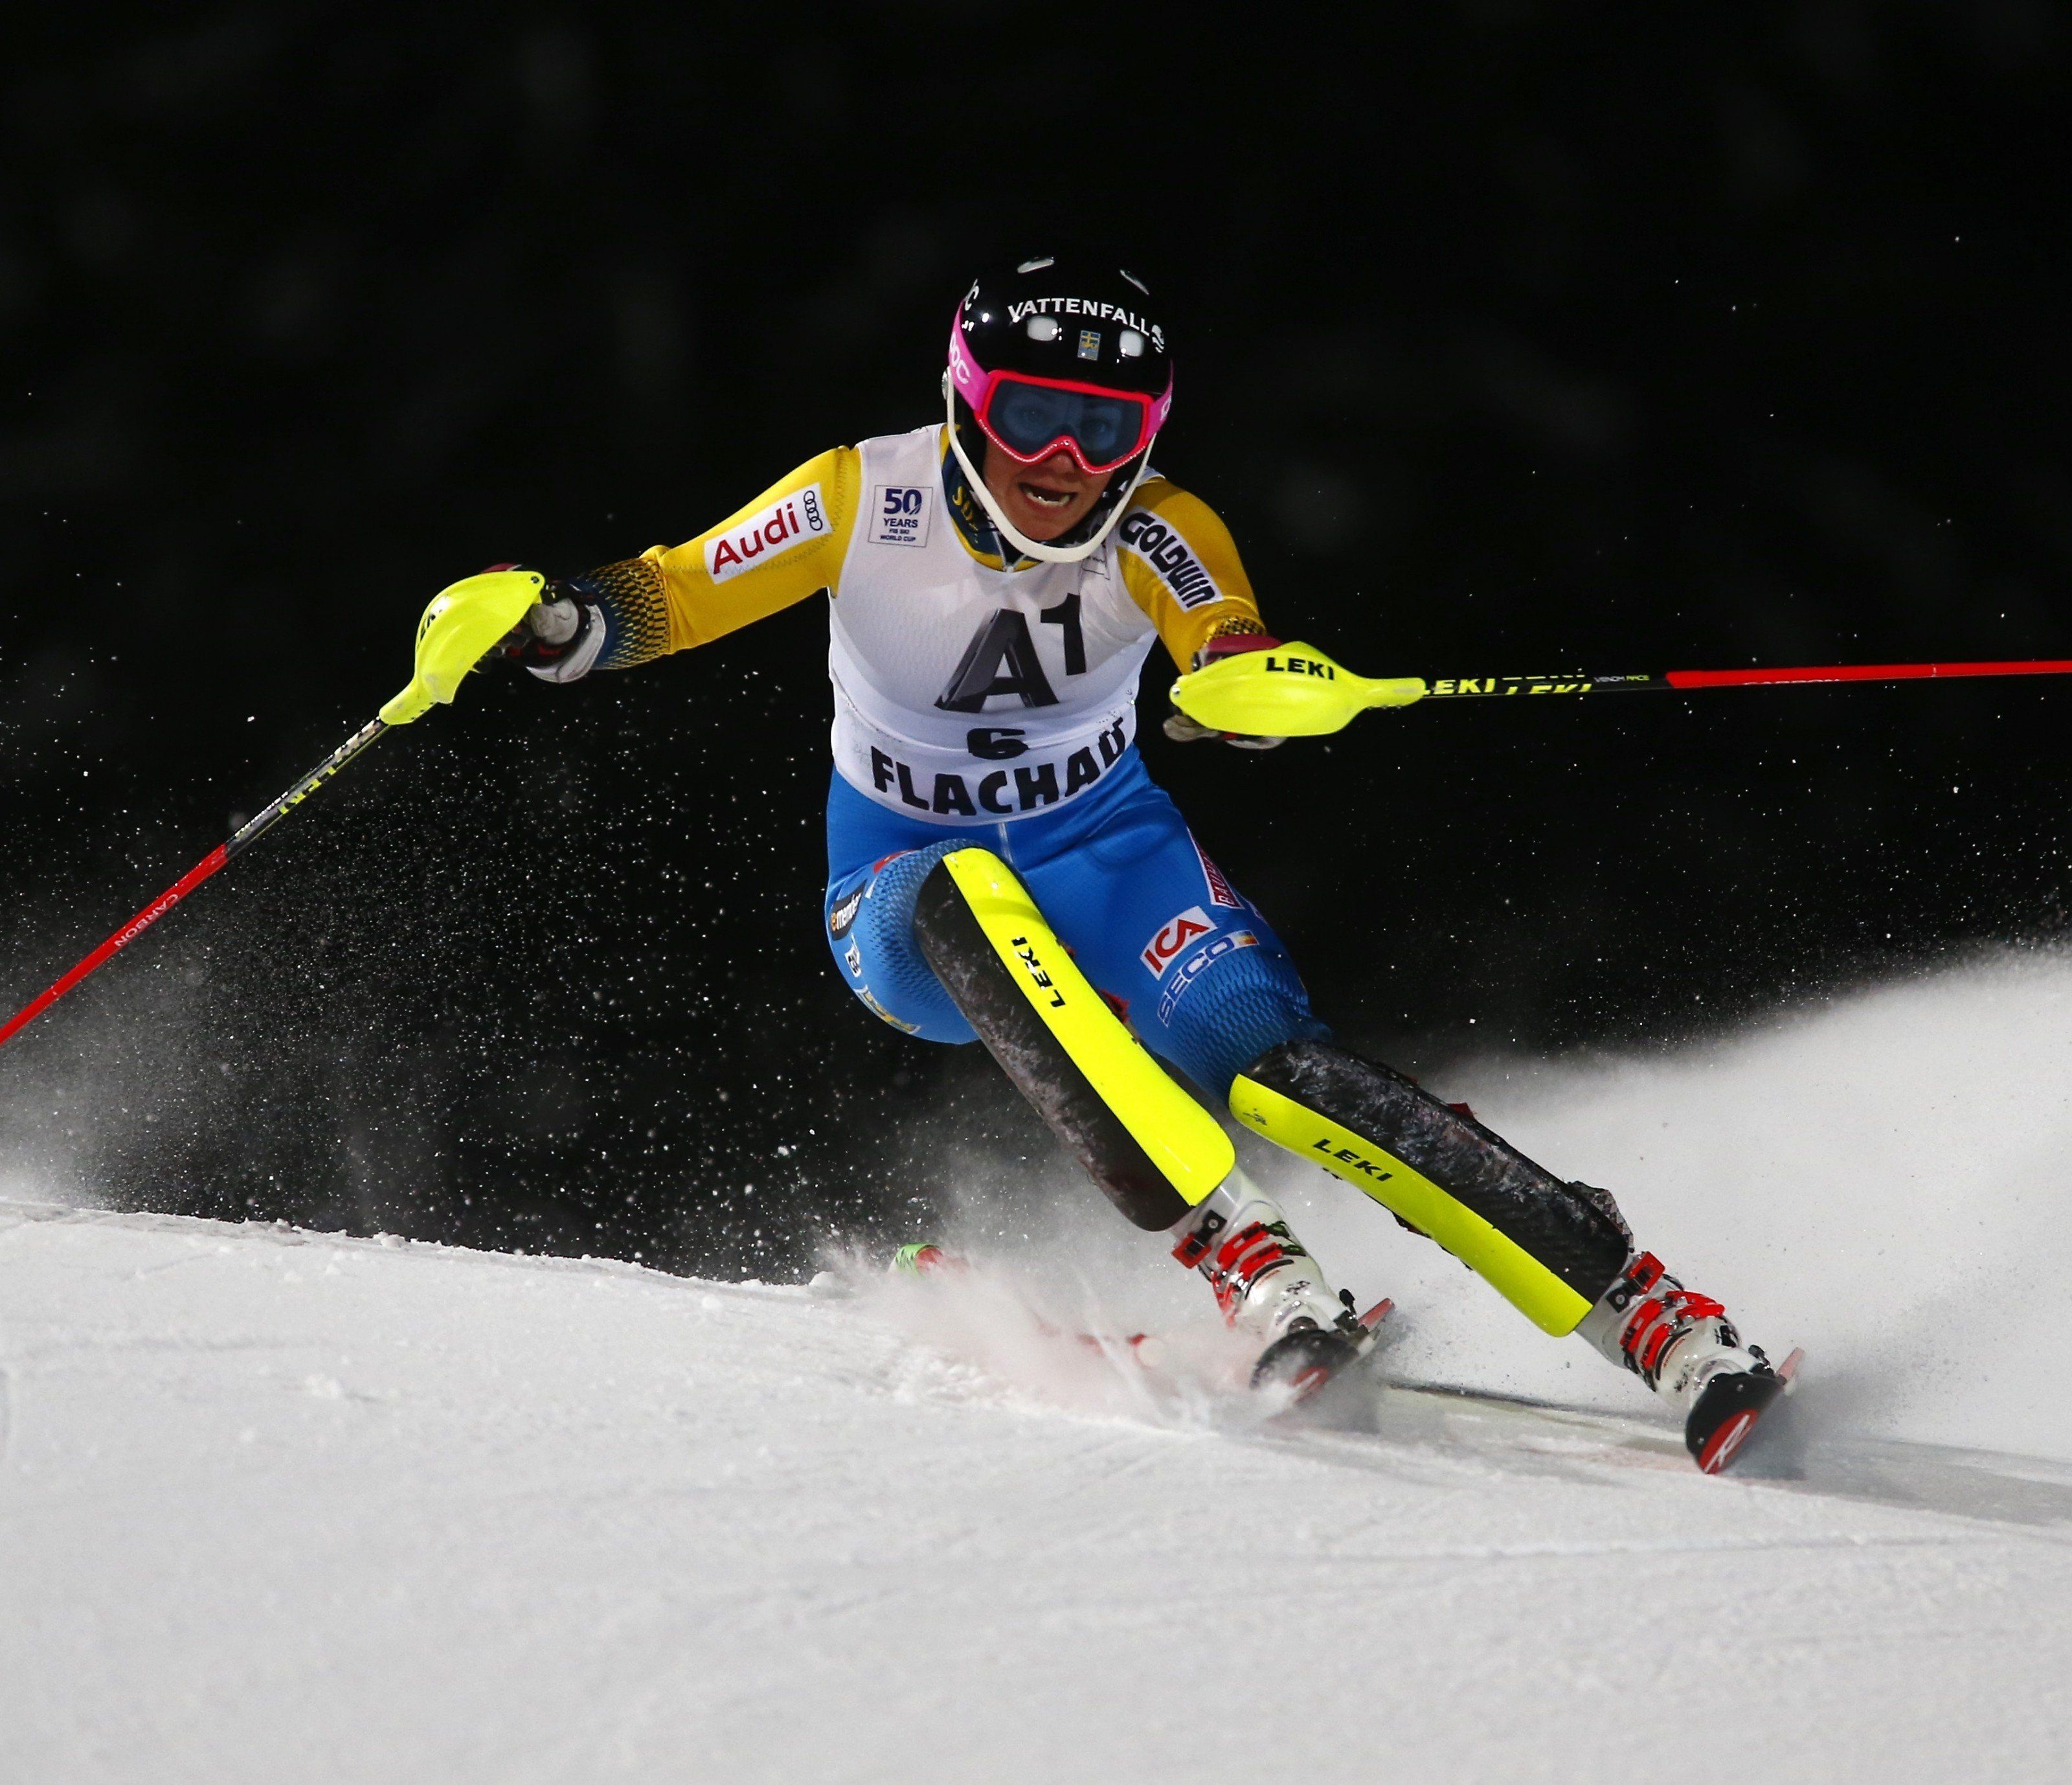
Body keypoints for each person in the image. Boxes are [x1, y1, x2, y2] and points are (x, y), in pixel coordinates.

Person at [486, 254, 1790, 1472]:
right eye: (1030, 417)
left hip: (1107, 853)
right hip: (899, 890)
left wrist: (1255, 685)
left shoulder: (1159, 525)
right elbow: (672, 592)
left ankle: (1649, 1316)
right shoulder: (856, 495)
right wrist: (552, 620)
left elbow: (1219, 634)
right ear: (962, 401)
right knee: (964, 896)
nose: (1061, 461)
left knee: (1272, 1065)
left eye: (1105, 429)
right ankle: (1250, 1258)